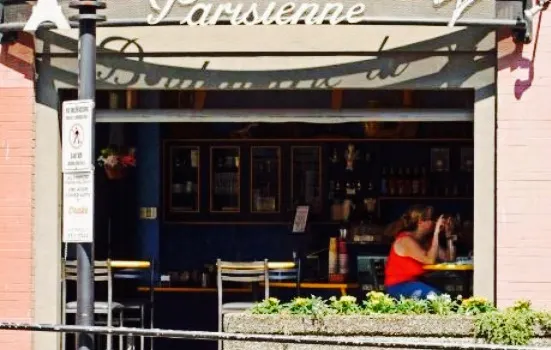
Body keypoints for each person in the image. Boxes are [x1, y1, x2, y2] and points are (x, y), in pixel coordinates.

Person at [383, 204, 452, 299]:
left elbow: (448, 258)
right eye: (431, 219)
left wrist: (449, 235)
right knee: (440, 299)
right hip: (399, 286)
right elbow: (429, 260)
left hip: (417, 282)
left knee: (448, 296)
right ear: (420, 222)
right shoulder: (406, 240)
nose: (434, 222)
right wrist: (436, 233)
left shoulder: (426, 240)